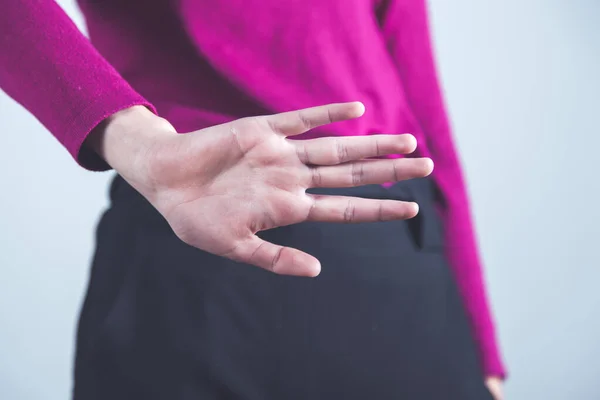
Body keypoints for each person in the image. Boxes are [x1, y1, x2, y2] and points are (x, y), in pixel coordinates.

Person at [1, 0, 506, 399]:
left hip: (395, 263)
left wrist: (483, 350)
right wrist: (139, 141)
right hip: (187, 251)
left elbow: (423, 109)